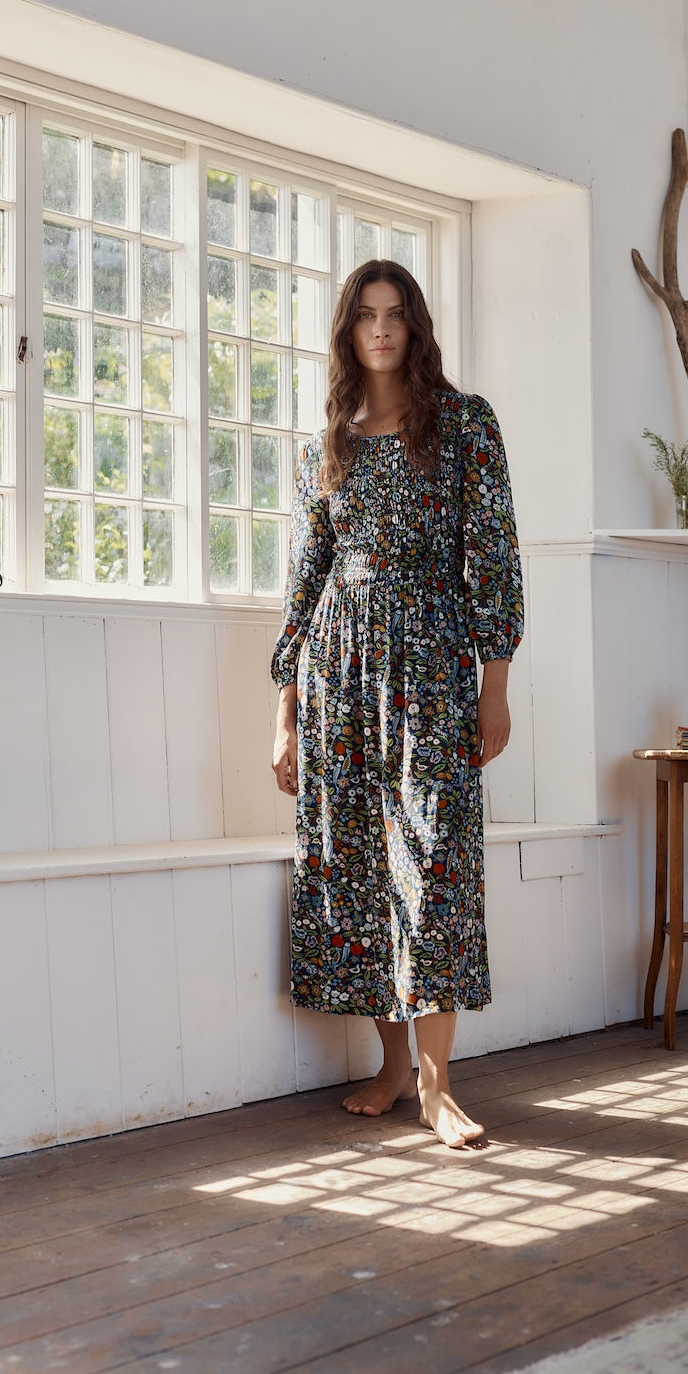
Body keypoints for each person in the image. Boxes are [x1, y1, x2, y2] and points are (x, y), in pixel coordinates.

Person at [271, 259, 523, 1150]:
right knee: (357, 870)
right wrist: (286, 706)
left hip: (428, 664)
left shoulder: (462, 424)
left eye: (395, 315)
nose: (381, 330)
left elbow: (491, 555)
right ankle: (390, 1065)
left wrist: (495, 682)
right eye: (365, 317)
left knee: (438, 863)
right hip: (336, 667)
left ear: (415, 327)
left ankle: (441, 1085)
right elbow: (307, 581)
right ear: (348, 333)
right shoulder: (328, 443)